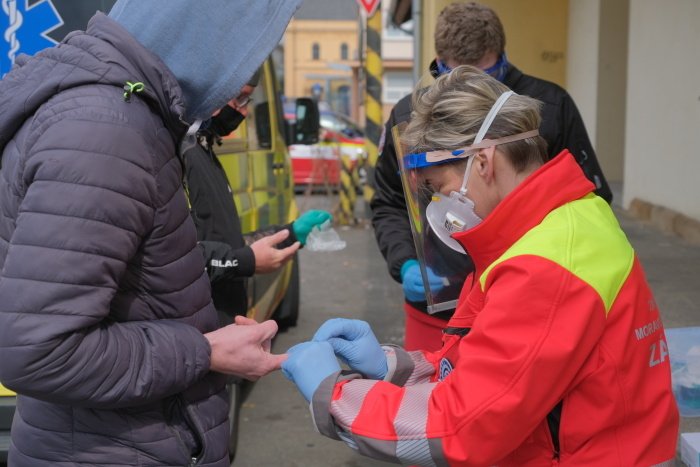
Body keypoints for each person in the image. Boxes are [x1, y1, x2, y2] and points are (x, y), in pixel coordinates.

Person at [282, 66, 679, 466]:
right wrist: (392, 366)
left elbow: (460, 427)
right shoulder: (560, 221)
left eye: (440, 189)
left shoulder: (542, 266)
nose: (439, 205)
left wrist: (333, 393)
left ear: (484, 162)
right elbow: (487, 366)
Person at [0, 0, 302, 465]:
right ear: (208, 34)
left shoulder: (118, 112)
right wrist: (204, 351)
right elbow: (40, 352)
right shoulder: (106, 130)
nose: (238, 88)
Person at [371, 1, 613, 352]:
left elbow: (589, 203)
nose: (471, 92)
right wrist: (405, 262)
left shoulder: (550, 107)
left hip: (528, 302)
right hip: (440, 305)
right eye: (452, 78)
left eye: (486, 77)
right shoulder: (411, 116)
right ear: (438, 63)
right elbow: (390, 201)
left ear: (503, 57)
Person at [183, 68, 331, 322]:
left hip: (224, 329)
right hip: (203, 335)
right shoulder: (181, 156)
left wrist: (290, 234)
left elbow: (226, 242)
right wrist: (245, 261)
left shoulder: (204, 149)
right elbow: (180, 258)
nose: (244, 111)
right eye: (238, 98)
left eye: (247, 100)